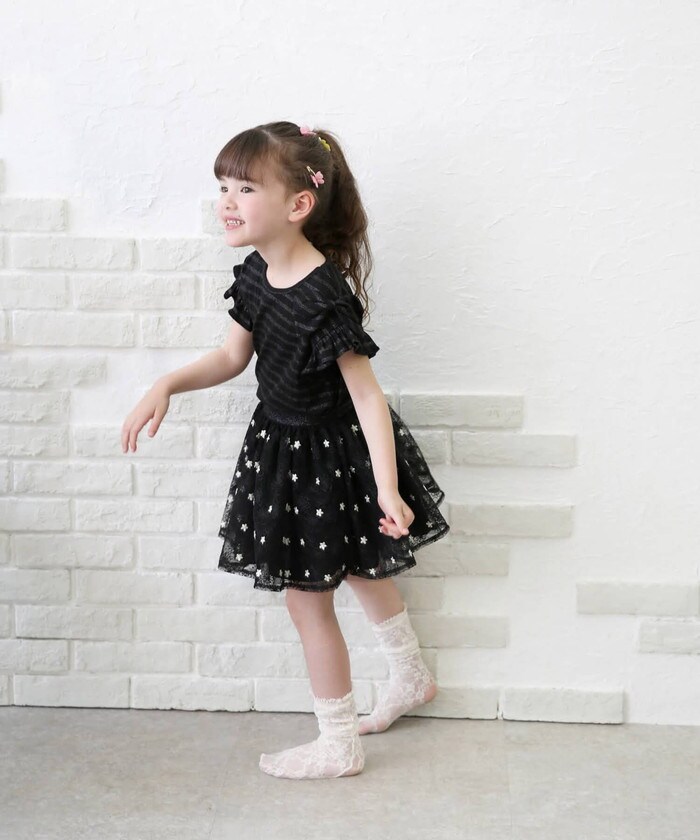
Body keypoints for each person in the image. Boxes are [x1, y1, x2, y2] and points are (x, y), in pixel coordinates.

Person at [121, 121, 450, 780]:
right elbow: (231, 357)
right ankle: (411, 676)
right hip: (281, 448)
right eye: (223, 186)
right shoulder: (255, 274)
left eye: (245, 188)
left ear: (298, 204)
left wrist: (387, 488)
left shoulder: (325, 297)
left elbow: (367, 396)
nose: (227, 201)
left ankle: (338, 741)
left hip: (332, 456)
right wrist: (167, 384)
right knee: (361, 569)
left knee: (308, 598)